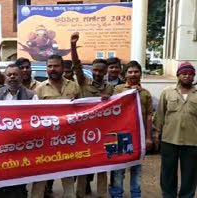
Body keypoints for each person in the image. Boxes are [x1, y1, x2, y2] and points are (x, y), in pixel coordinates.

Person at [70, 32, 114, 198]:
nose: (97, 73)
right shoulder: (82, 81)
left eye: (101, 71)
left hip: (103, 131)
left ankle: (102, 194)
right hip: (84, 131)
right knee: (84, 164)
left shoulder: (110, 88)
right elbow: (76, 65)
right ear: (92, 70)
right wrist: (73, 46)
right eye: (95, 69)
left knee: (102, 165)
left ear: (105, 72)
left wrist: (108, 100)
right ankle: (80, 193)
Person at [31, 54, 80, 198]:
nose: (53, 69)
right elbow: (34, 115)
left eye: (56, 66)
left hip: (67, 140)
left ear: (63, 68)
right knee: (40, 177)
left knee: (68, 176)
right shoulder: (39, 89)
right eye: (50, 66)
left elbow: (82, 110)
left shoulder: (73, 86)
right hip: (46, 142)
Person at [0, 64, 36, 198]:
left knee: (18, 184)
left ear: (21, 77)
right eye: (9, 75)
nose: (12, 77)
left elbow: (35, 120)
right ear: (5, 77)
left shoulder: (31, 96)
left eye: (15, 74)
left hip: (21, 147)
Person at [109, 60, 153, 198]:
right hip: (120, 136)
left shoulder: (145, 94)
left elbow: (149, 117)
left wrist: (148, 137)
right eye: (130, 72)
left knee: (137, 169)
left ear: (140, 74)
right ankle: (117, 194)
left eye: (136, 71)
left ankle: (136, 194)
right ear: (125, 74)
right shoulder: (118, 90)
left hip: (138, 137)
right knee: (118, 169)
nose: (133, 74)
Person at [154, 62, 197, 198]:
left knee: (190, 174)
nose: (187, 76)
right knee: (167, 173)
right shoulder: (167, 92)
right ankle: (168, 195)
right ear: (178, 75)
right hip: (169, 140)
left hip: (192, 141)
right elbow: (160, 115)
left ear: (194, 76)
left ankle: (187, 196)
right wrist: (156, 135)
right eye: (184, 73)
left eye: (190, 74)